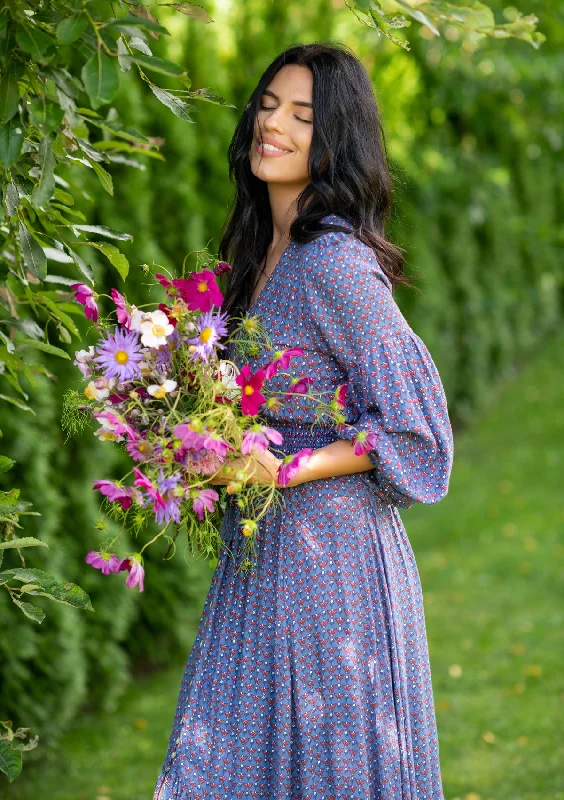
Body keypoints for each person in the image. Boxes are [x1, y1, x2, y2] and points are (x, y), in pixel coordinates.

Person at [154, 42, 454, 800]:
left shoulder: (334, 265)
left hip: (333, 569)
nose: (273, 124)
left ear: (335, 140)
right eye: (266, 104)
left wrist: (286, 468)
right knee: (222, 766)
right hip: (261, 559)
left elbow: (420, 431)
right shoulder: (261, 251)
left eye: (302, 115)